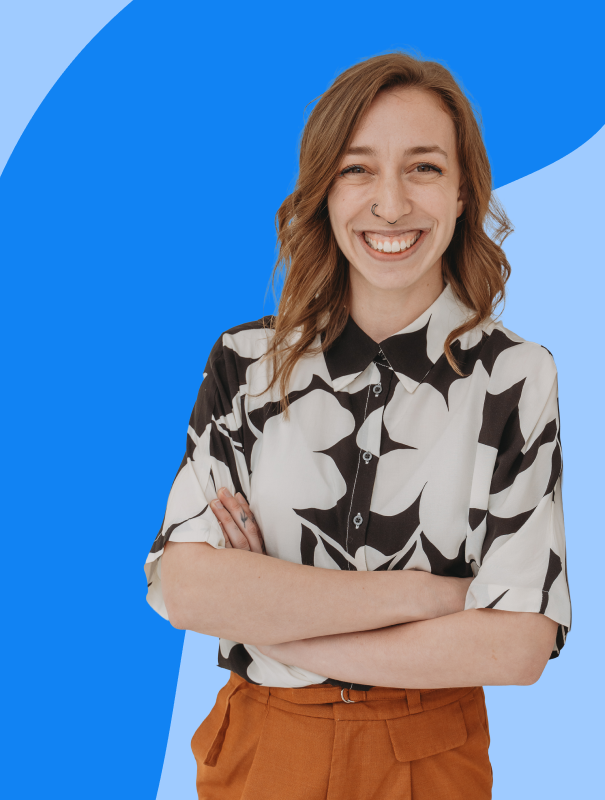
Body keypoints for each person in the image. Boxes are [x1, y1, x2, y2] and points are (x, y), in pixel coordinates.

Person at [143, 51, 571, 800]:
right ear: (324, 192)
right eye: (357, 169)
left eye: (424, 168)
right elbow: (185, 587)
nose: (391, 203)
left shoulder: (514, 377)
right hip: (262, 748)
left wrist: (273, 616)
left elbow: (517, 643)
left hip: (428, 757)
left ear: (465, 189)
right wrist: (429, 595)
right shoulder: (244, 363)